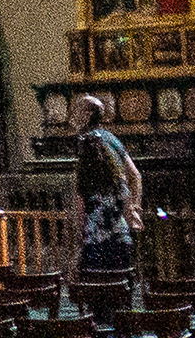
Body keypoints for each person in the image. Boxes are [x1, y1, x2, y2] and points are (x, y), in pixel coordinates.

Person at [72, 93, 143, 277]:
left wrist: (78, 239)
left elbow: (81, 201)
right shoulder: (111, 138)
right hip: (121, 236)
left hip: (95, 240)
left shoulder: (86, 143)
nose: (73, 114)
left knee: (98, 293)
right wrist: (134, 209)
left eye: (78, 109)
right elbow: (135, 175)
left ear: (87, 115)